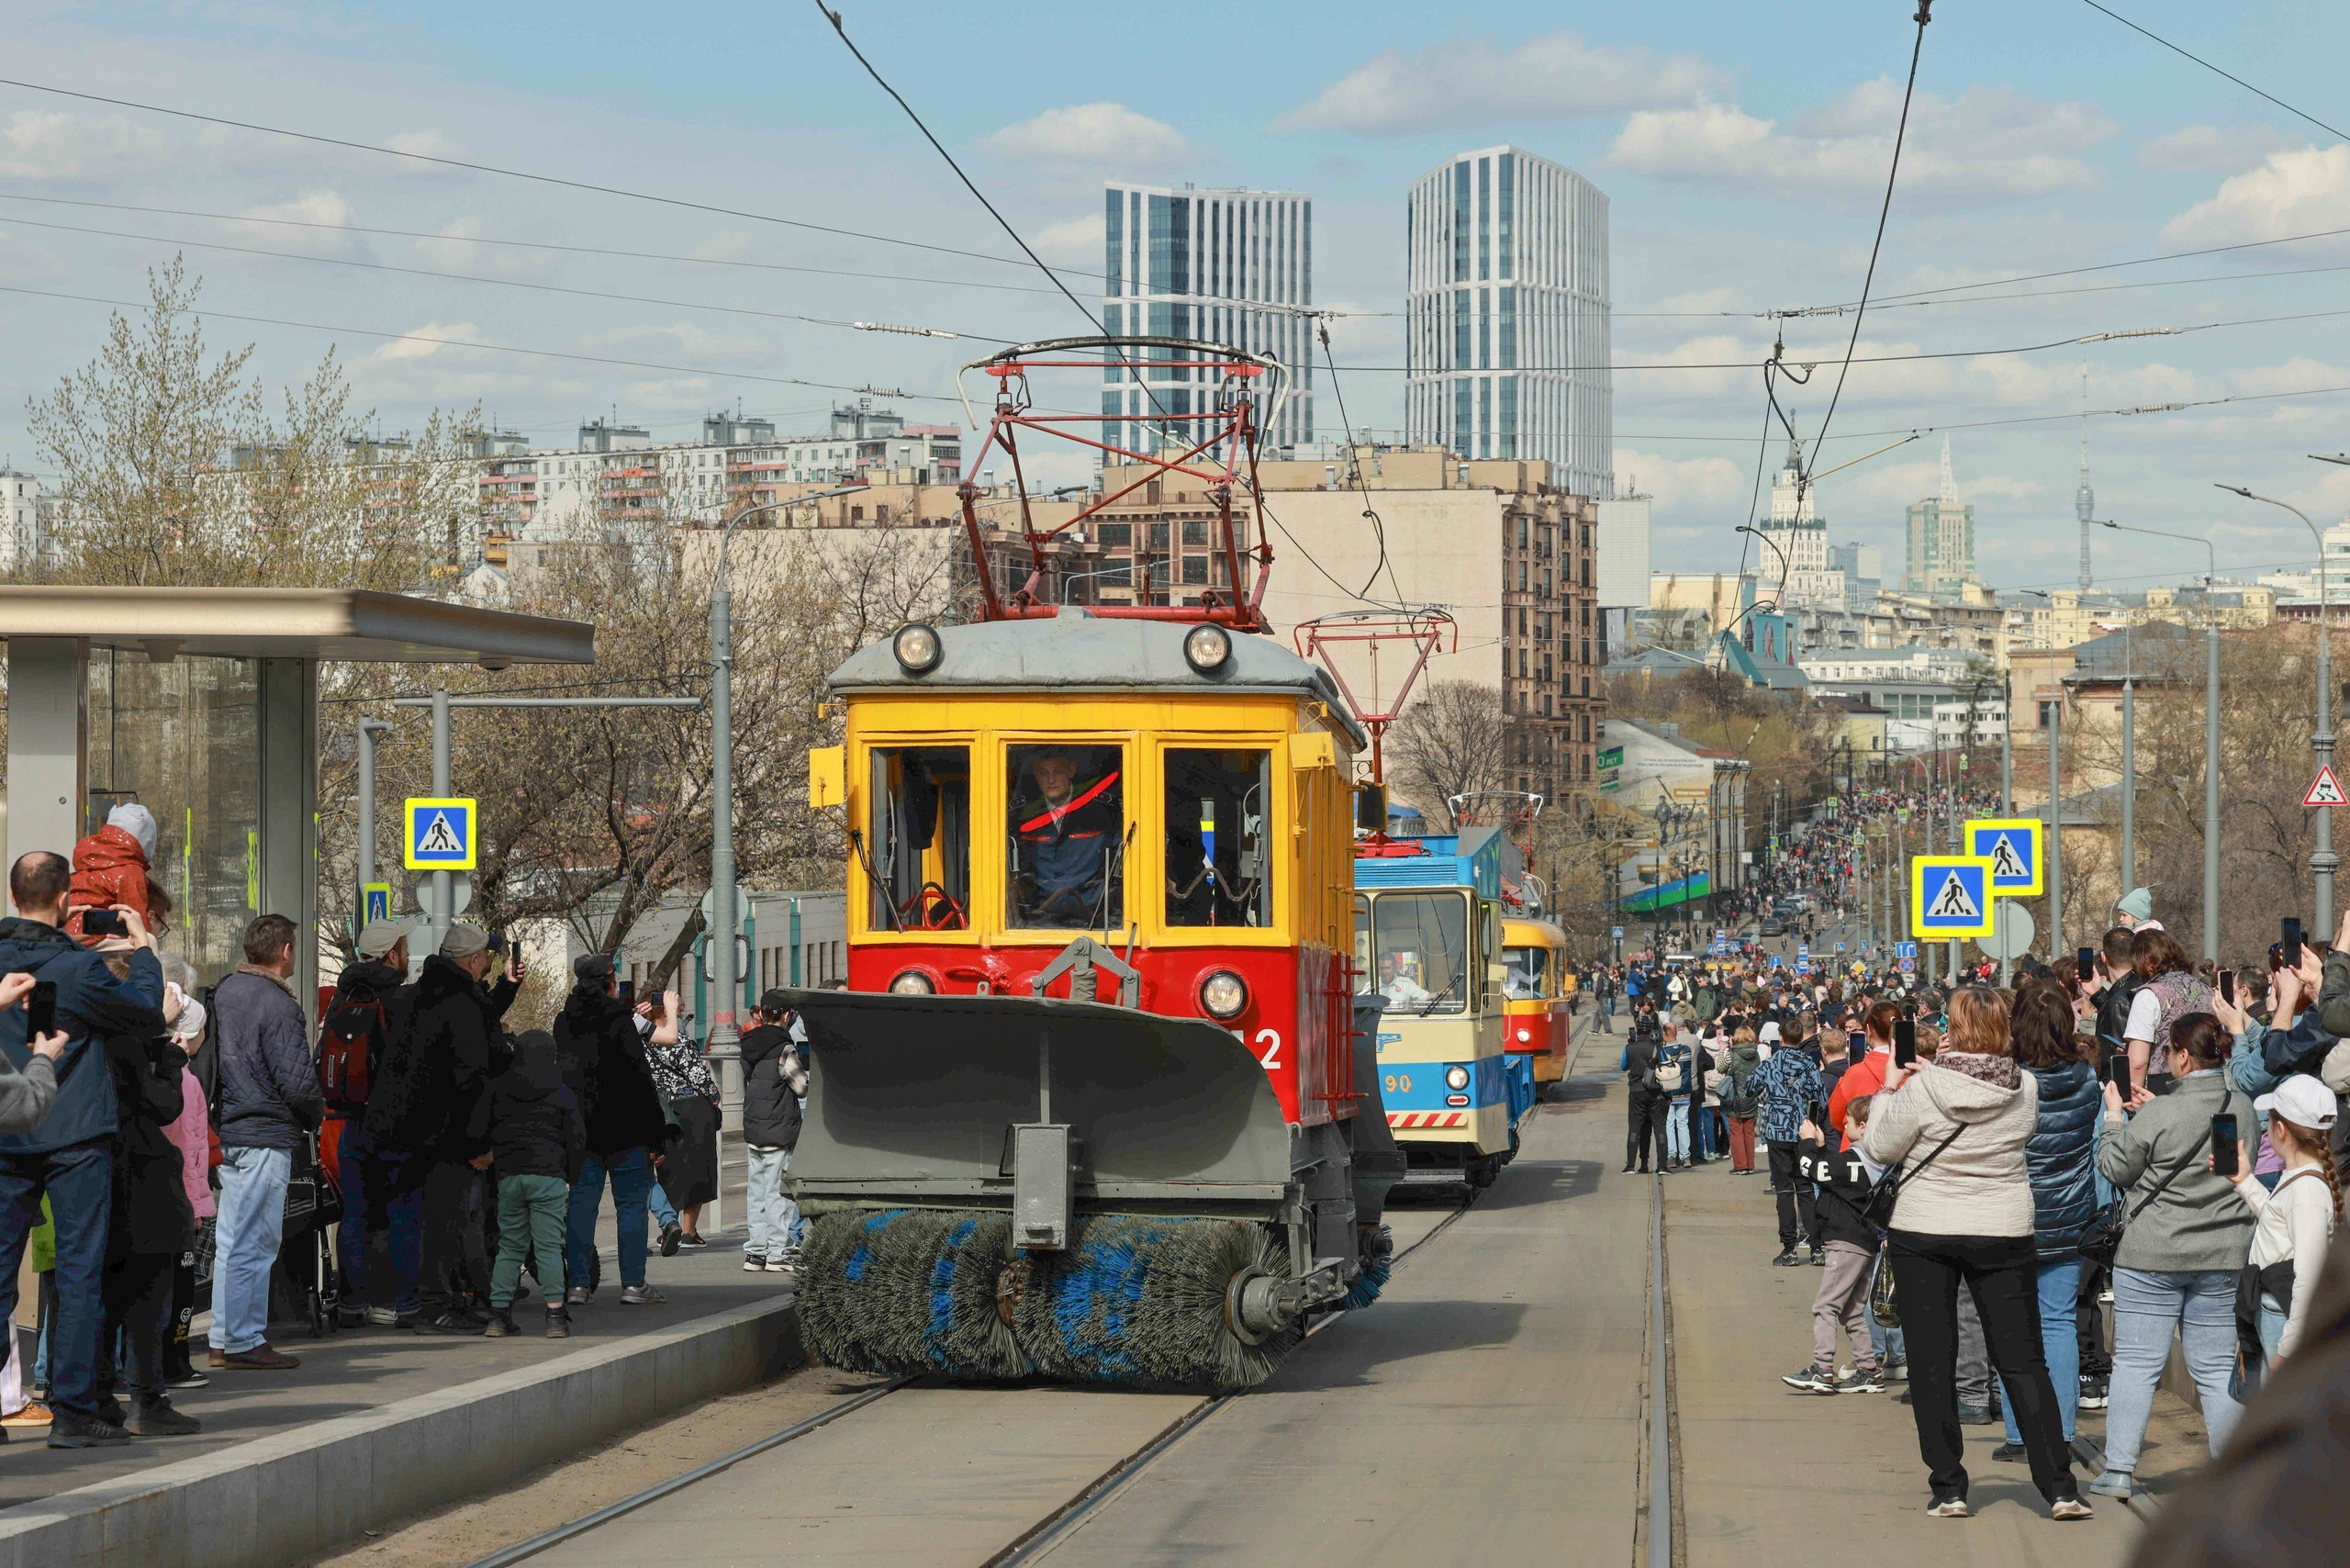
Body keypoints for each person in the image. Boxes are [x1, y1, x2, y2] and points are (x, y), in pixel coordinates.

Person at [1860, 986, 2090, 1520]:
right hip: (2003, 1229)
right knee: (2022, 1361)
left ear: (1954, 1028)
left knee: (1931, 1361)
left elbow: (1877, 1149)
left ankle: (1950, 1489)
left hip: (1926, 1230)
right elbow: (2023, 1135)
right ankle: (2059, 1487)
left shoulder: (1923, 1089)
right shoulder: (2026, 1088)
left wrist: (1892, 1088)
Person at [0, 853, 166, 1449]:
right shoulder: (75, 969)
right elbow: (146, 1012)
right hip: (73, 1136)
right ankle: (72, 1410)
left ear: (14, 894)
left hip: (6, 1133)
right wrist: (141, 947)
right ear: (67, 900)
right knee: (76, 1273)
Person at [2088, 1011, 2255, 1501]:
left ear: (2183, 1056)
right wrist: (2163, 1112)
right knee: (2215, 1366)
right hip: (2222, 1251)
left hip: (2153, 1255)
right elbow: (2221, 1164)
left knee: (2138, 1363)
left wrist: (2116, 1117)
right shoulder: (2238, 1105)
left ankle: (2119, 1470)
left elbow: (2116, 1168)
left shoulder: (2158, 1115)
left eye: (2169, 1053)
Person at [89, 932, 197, 1434]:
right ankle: (147, 1399)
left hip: (94, 1173)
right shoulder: (132, 1037)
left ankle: (96, 1399)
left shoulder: (84, 1028)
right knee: (148, 1295)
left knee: (102, 1293)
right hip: (140, 1172)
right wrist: (169, 1050)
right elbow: (162, 1104)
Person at [1990, 982, 2100, 1464]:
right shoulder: (2086, 1079)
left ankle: (2019, 1435)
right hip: (2070, 1216)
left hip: (2011, 1213)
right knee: (2058, 1322)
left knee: (2013, 1327)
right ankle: (2063, 1431)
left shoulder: (2006, 1080)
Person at [209, 912, 322, 1372]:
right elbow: (297, 1083)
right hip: (265, 1133)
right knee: (256, 1242)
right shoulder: (278, 1005)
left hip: (230, 1132)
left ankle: (222, 1336)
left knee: (231, 1240)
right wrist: (313, 1114)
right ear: (286, 951)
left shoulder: (225, 993)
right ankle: (243, 1339)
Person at [404, 924, 520, 1334]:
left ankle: (446, 1300)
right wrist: (479, 1143)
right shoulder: (462, 1005)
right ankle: (437, 1304)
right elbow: (470, 1079)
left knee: (441, 1221)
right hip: (453, 1136)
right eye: (486, 956)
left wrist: (506, 989)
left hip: (425, 1130)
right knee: (447, 1223)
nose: (489, 961)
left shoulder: (428, 993)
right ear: (472, 960)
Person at [557, 955, 670, 1307]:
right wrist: (657, 1134)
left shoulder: (564, 1022)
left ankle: (577, 1285)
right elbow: (638, 1078)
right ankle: (633, 1284)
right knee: (631, 1206)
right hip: (625, 1129)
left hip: (581, 1130)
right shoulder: (620, 1020)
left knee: (581, 1204)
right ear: (609, 983)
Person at [321, 921, 415, 1328]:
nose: (408, 955)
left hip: (351, 1123)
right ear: (392, 955)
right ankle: (401, 1303)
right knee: (402, 1214)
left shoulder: (344, 996)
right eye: (405, 948)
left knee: (355, 1214)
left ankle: (352, 1304)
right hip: (395, 1125)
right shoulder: (401, 998)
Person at [2215, 1073, 2338, 1371]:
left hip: (2282, 1319)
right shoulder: (2299, 1178)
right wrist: (2245, 1180)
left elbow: (2308, 1277)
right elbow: (2277, 1220)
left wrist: (2287, 1351)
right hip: (2272, 1310)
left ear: (2279, 1129)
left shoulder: (2306, 1191)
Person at [482, 1029, 584, 1338]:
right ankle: (554, 1317)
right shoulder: (562, 1090)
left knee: (510, 1246)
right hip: (548, 1176)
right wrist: (572, 1175)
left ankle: (498, 1317)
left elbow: (484, 1126)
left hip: (510, 1175)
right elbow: (576, 1137)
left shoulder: (499, 1088)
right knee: (548, 1247)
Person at [1782, 1094, 1886, 1395]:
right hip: (1866, 1242)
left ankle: (1822, 1369)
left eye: (1849, 1121)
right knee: (1852, 1309)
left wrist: (1806, 1143)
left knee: (1825, 1305)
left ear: (1864, 1127)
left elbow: (1810, 1169)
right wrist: (1821, 1148)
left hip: (1846, 1242)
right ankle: (1868, 1370)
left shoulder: (1855, 1159)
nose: (1843, 1123)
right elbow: (1834, 1173)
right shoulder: (1875, 1162)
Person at [155, 963, 212, 1390]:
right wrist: (196, 1205)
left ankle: (161, 1361)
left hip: (162, 1196)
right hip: (179, 1201)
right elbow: (190, 1150)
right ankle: (175, 1362)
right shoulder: (186, 1081)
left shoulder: (165, 1075)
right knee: (180, 1290)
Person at [1009, 745, 1122, 924]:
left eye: (1058, 771)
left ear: (1072, 770)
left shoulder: (1104, 812)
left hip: (1096, 921)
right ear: (1037, 777)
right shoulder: (1021, 817)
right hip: (1038, 923)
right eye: (1044, 773)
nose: (1051, 779)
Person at [740, 991, 809, 1273]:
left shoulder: (748, 1043)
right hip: (778, 1127)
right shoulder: (784, 1049)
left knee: (756, 1191)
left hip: (754, 1123)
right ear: (785, 1016)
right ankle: (777, 1254)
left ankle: (755, 1253)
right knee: (778, 1192)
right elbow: (801, 1086)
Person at [644, 991, 720, 1247]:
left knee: (670, 1170)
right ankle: (689, 1232)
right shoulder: (678, 1041)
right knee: (699, 1168)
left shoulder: (641, 1039)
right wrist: (713, 1094)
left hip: (661, 1110)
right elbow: (696, 1072)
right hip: (692, 1108)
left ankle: (670, 1225)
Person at [1751, 1018, 1824, 1265]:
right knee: (1805, 1188)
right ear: (1801, 1037)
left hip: (1777, 1132)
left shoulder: (1771, 1063)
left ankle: (1789, 1248)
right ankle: (1816, 1247)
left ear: (1781, 1038)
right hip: (1803, 1131)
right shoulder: (1809, 1064)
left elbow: (1750, 1087)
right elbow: (1821, 1098)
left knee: (1783, 1190)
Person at [2122, 927, 2212, 1108]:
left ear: (2147, 962)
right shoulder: (2208, 991)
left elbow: (2138, 1062)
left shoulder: (2148, 995)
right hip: (2208, 1085)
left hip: (2162, 1089)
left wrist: (2130, 1100)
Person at [1621, 1011, 1667, 1176]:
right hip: (1655, 1092)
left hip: (1636, 1091)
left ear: (1636, 1029)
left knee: (1635, 1128)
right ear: (1651, 1030)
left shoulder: (1629, 1047)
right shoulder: (1657, 1047)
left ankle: (1633, 1165)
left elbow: (1623, 1066)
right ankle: (1662, 1166)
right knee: (1659, 1128)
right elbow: (1664, 1066)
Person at [1718, 1026, 1762, 1174]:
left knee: (1736, 1132)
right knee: (1749, 1132)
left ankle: (1740, 1165)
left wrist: (1722, 1050)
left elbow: (1720, 1068)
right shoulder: (1756, 1054)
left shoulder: (1731, 1054)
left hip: (1735, 1098)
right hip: (1751, 1097)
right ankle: (1750, 1164)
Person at [1658, 1024, 1694, 1171]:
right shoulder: (1686, 1050)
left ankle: (1671, 1156)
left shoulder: (1662, 1052)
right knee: (1683, 1123)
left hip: (1669, 1094)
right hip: (1684, 1091)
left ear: (1664, 1035)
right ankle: (1685, 1156)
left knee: (1669, 1124)